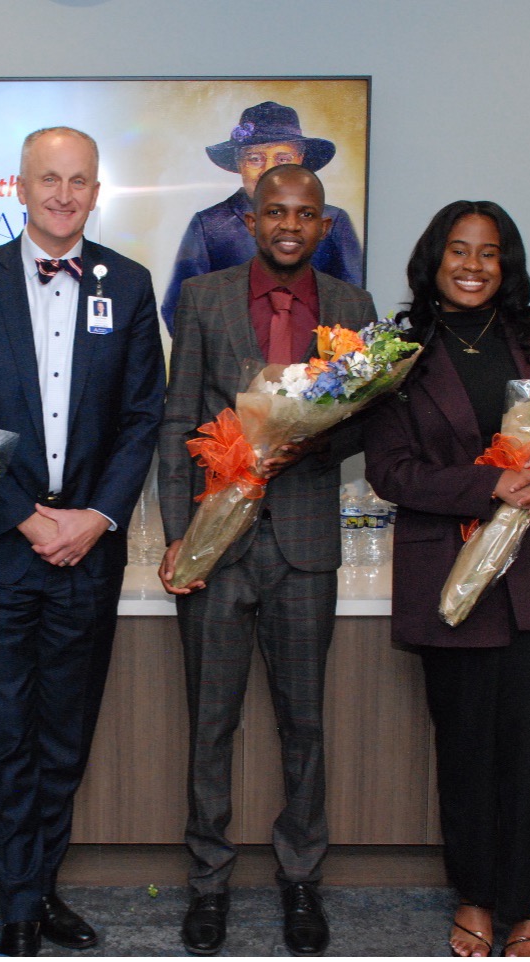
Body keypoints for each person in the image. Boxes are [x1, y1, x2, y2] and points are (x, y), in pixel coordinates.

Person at [0, 127, 165, 957]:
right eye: (49, 179)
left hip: (88, 550)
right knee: (7, 732)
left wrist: (94, 518)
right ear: (19, 187)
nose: (64, 194)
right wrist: (29, 516)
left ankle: (43, 883)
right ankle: (17, 905)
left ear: (96, 192)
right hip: (2, 547)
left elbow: (143, 419)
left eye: (79, 181)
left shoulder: (128, 286)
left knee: (65, 733)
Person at [364, 201, 530, 957]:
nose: (473, 266)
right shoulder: (396, 350)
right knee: (468, 751)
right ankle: (476, 895)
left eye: (490, 253)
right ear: (434, 260)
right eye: (459, 251)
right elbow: (389, 471)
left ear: (508, 264)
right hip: (452, 577)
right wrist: (489, 489)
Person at [157, 164, 377, 957]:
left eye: (306, 213)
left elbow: (367, 424)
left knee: (304, 726)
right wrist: (180, 535)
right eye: (275, 210)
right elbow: (178, 417)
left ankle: (299, 881)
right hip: (218, 539)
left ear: (325, 226)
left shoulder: (352, 308)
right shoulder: (204, 297)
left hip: (307, 543)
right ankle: (208, 883)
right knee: (210, 725)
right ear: (249, 220)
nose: (291, 223)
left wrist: (309, 436)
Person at [160, 100, 365, 331]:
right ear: (239, 163)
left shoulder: (334, 221)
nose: (269, 169)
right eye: (255, 158)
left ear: (301, 160)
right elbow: (180, 310)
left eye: (282, 158)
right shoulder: (210, 225)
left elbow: (352, 307)